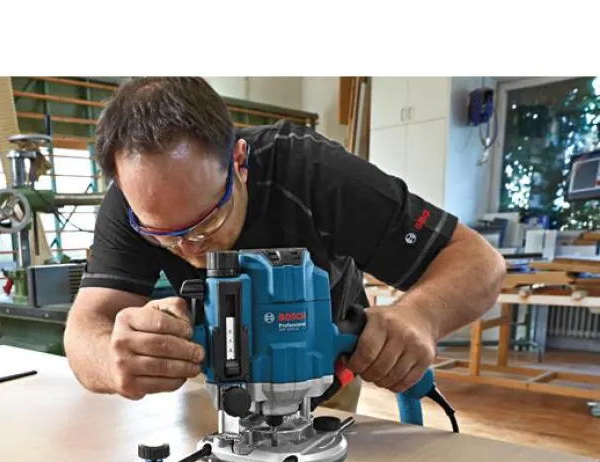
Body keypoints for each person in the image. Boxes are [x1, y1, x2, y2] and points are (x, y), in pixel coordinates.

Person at [64, 77, 505, 411]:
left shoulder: (314, 172)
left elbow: (479, 261)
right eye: (164, 235)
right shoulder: (133, 202)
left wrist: (420, 316)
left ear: (239, 162)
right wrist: (114, 359)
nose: (191, 250)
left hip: (324, 383)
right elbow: (85, 328)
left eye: (207, 222)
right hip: (217, 389)